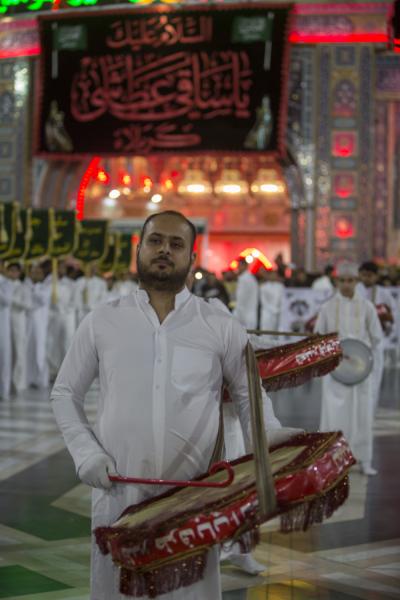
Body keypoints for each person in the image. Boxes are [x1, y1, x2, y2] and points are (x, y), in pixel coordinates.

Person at [51, 211, 291, 600]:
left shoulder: (219, 324)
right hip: (119, 493)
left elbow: (249, 395)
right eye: (155, 240)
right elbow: (64, 392)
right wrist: (85, 453)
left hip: (193, 498)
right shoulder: (103, 320)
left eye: (176, 244)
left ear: (192, 258)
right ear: (139, 249)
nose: (164, 249)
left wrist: (272, 438)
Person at [315, 261, 383, 476]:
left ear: (356, 281)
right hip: (335, 371)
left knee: (362, 414)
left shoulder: (367, 307)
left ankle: (364, 460)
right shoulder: (327, 308)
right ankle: (333, 461)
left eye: (351, 280)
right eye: (343, 280)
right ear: (337, 282)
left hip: (360, 372)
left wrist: (364, 357)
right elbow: (318, 336)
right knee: (334, 415)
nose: (346, 284)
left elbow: (377, 337)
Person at [357, 261, 396, 411]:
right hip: (357, 339)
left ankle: (370, 410)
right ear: (360, 275)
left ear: (376, 276)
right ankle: (357, 410)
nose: (367, 278)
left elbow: (393, 314)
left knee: (375, 375)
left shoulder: (383, 293)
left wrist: (388, 324)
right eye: (364, 275)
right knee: (358, 376)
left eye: (370, 275)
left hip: (376, 340)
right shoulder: (355, 290)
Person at [7, 262, 32, 393]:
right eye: (10, 270)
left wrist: (11, 300)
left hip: (18, 321)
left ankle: (17, 382)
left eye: (15, 270)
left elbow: (28, 305)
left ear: (19, 273)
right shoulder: (3, 285)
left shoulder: (23, 287)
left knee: (18, 351)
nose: (12, 273)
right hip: (5, 321)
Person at [26, 262, 51, 389]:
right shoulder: (25, 285)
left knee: (39, 351)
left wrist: (34, 288)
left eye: (38, 273)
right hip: (27, 322)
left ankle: (40, 379)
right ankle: (28, 378)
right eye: (34, 272)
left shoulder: (45, 287)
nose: (36, 275)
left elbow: (42, 300)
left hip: (40, 324)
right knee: (27, 350)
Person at [233, 258, 259, 330]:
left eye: (239, 265)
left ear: (245, 266)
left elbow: (241, 298)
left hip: (244, 315)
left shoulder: (244, 279)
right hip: (250, 314)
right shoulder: (251, 278)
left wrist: (237, 314)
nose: (237, 268)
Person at [0, 260, 13, 400]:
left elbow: (7, 301)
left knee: (3, 356)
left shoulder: (6, 283)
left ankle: (4, 391)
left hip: (2, 325)